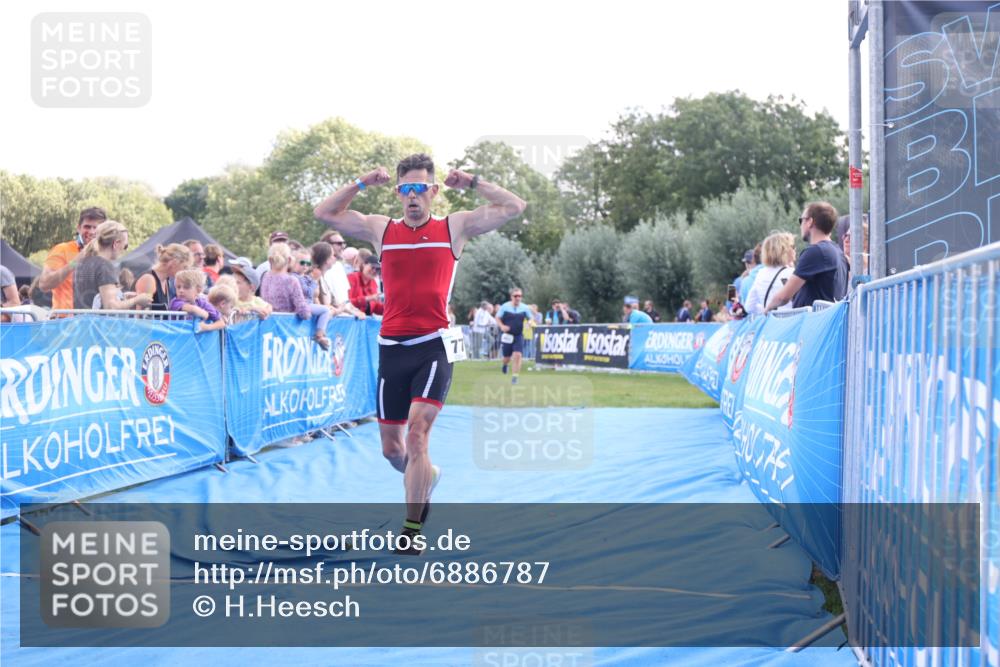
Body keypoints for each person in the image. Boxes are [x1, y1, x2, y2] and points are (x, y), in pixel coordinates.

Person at [314, 152, 526, 553]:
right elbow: (324, 213)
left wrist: (475, 182)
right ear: (398, 193)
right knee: (393, 450)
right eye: (405, 189)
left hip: (434, 345)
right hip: (391, 348)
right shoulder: (382, 229)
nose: (413, 197)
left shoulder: (454, 227)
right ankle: (426, 475)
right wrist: (361, 183)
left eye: (420, 189)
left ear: (432, 191)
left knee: (417, 435)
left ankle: (412, 530)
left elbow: (515, 207)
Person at [766, 202, 850, 312]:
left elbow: (783, 296)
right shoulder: (838, 252)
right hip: (827, 323)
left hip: (815, 325)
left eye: (801, 220)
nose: (800, 225)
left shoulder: (815, 252)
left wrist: (766, 310)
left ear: (810, 222)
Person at [261, 242, 332, 350]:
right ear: (289, 260)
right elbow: (304, 313)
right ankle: (320, 335)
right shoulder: (291, 280)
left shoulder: (265, 276)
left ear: (270, 259)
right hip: (287, 333)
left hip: (268, 329)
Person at [73, 220, 153, 311]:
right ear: (116, 244)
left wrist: (121, 297)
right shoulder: (104, 266)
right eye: (125, 246)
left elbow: (93, 299)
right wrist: (136, 300)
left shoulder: (82, 263)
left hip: (81, 323)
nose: (124, 250)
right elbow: (110, 306)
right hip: (99, 324)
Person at [38, 206, 106, 311]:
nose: (92, 232)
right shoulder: (62, 249)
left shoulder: (107, 253)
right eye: (87, 227)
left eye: (96, 227)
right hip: (65, 321)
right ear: (79, 228)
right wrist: (76, 262)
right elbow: (44, 284)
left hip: (97, 321)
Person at [744, 232, 796, 316]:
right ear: (784, 250)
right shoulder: (792, 273)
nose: (795, 250)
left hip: (770, 324)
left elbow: (749, 307)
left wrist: (766, 309)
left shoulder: (760, 274)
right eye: (793, 247)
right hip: (791, 324)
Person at [135, 243, 192, 310]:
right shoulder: (149, 279)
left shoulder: (168, 282)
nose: (184, 271)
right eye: (184, 267)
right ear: (174, 262)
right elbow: (140, 315)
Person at [495, 287, 532, 384]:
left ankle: (515, 377)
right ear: (511, 297)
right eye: (516, 296)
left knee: (518, 355)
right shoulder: (505, 307)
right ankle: (505, 364)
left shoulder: (524, 308)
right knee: (507, 357)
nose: (518, 298)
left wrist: (529, 323)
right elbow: (497, 318)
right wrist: (502, 326)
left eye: (520, 296)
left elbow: (531, 319)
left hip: (518, 335)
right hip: (507, 336)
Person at [319, 230, 351, 306]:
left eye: (344, 243)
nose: (343, 246)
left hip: (344, 315)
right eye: (339, 243)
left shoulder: (339, 266)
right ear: (327, 245)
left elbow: (345, 297)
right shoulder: (320, 267)